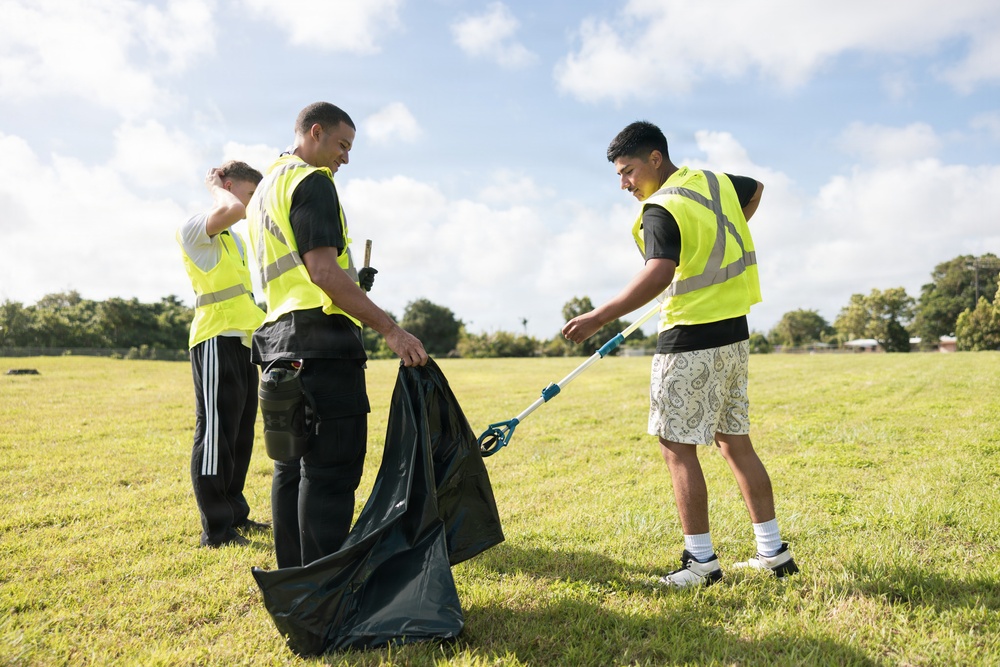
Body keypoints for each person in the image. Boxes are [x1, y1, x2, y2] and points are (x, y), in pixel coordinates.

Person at [562, 121, 798, 588]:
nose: (625, 184)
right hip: (734, 333)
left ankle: (701, 563)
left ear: (655, 159)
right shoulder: (711, 182)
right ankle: (774, 554)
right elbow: (756, 190)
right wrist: (714, 242)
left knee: (677, 448)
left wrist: (599, 316)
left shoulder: (661, 206)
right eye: (619, 176)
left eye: (628, 172)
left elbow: (657, 274)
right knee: (734, 441)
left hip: (690, 337)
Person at [247, 101, 429, 568]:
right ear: (314, 132)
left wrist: (352, 285)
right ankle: (327, 591)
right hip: (322, 346)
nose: (345, 158)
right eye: (342, 145)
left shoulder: (267, 187)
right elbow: (323, 272)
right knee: (329, 472)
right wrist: (391, 329)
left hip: (277, 344)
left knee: (290, 469)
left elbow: (306, 271)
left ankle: (297, 584)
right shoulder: (313, 181)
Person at [176, 161, 269, 548]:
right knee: (215, 433)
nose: (250, 206)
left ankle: (235, 513)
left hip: (243, 342)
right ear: (229, 187)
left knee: (239, 435)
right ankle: (216, 530)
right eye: (249, 194)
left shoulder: (235, 240)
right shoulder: (195, 227)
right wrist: (215, 186)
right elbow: (233, 208)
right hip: (214, 339)